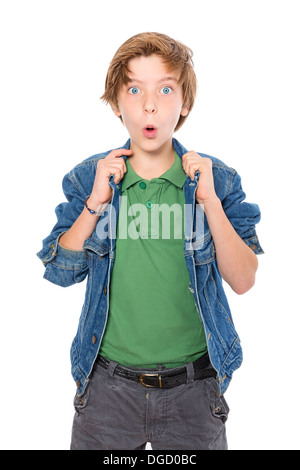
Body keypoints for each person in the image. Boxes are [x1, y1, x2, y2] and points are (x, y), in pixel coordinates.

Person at [37, 32, 263, 450]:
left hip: (194, 390)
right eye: (134, 89)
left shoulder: (220, 180)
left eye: (165, 88)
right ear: (116, 103)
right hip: (108, 389)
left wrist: (210, 201)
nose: (149, 104)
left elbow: (244, 279)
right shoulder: (91, 177)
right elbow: (58, 271)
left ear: (185, 104)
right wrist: (95, 203)